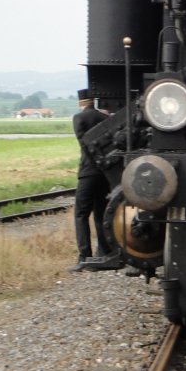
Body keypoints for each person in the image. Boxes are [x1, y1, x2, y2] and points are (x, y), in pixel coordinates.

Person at [70, 89, 118, 271]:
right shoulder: (105, 118)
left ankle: (84, 256)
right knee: (101, 213)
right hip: (105, 173)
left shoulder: (79, 118)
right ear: (93, 101)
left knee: (81, 214)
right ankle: (105, 252)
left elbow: (84, 144)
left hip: (88, 172)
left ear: (80, 103)